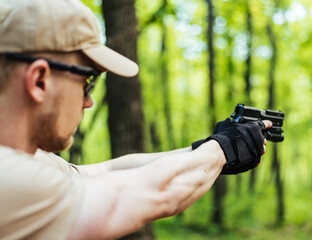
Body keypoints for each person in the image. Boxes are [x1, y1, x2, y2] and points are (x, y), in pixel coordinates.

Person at [0, 0, 272, 239]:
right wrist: (223, 150)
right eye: (87, 82)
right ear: (39, 80)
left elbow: (105, 172)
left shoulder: (27, 161)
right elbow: (157, 193)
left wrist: (204, 150)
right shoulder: (10, 177)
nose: (88, 101)